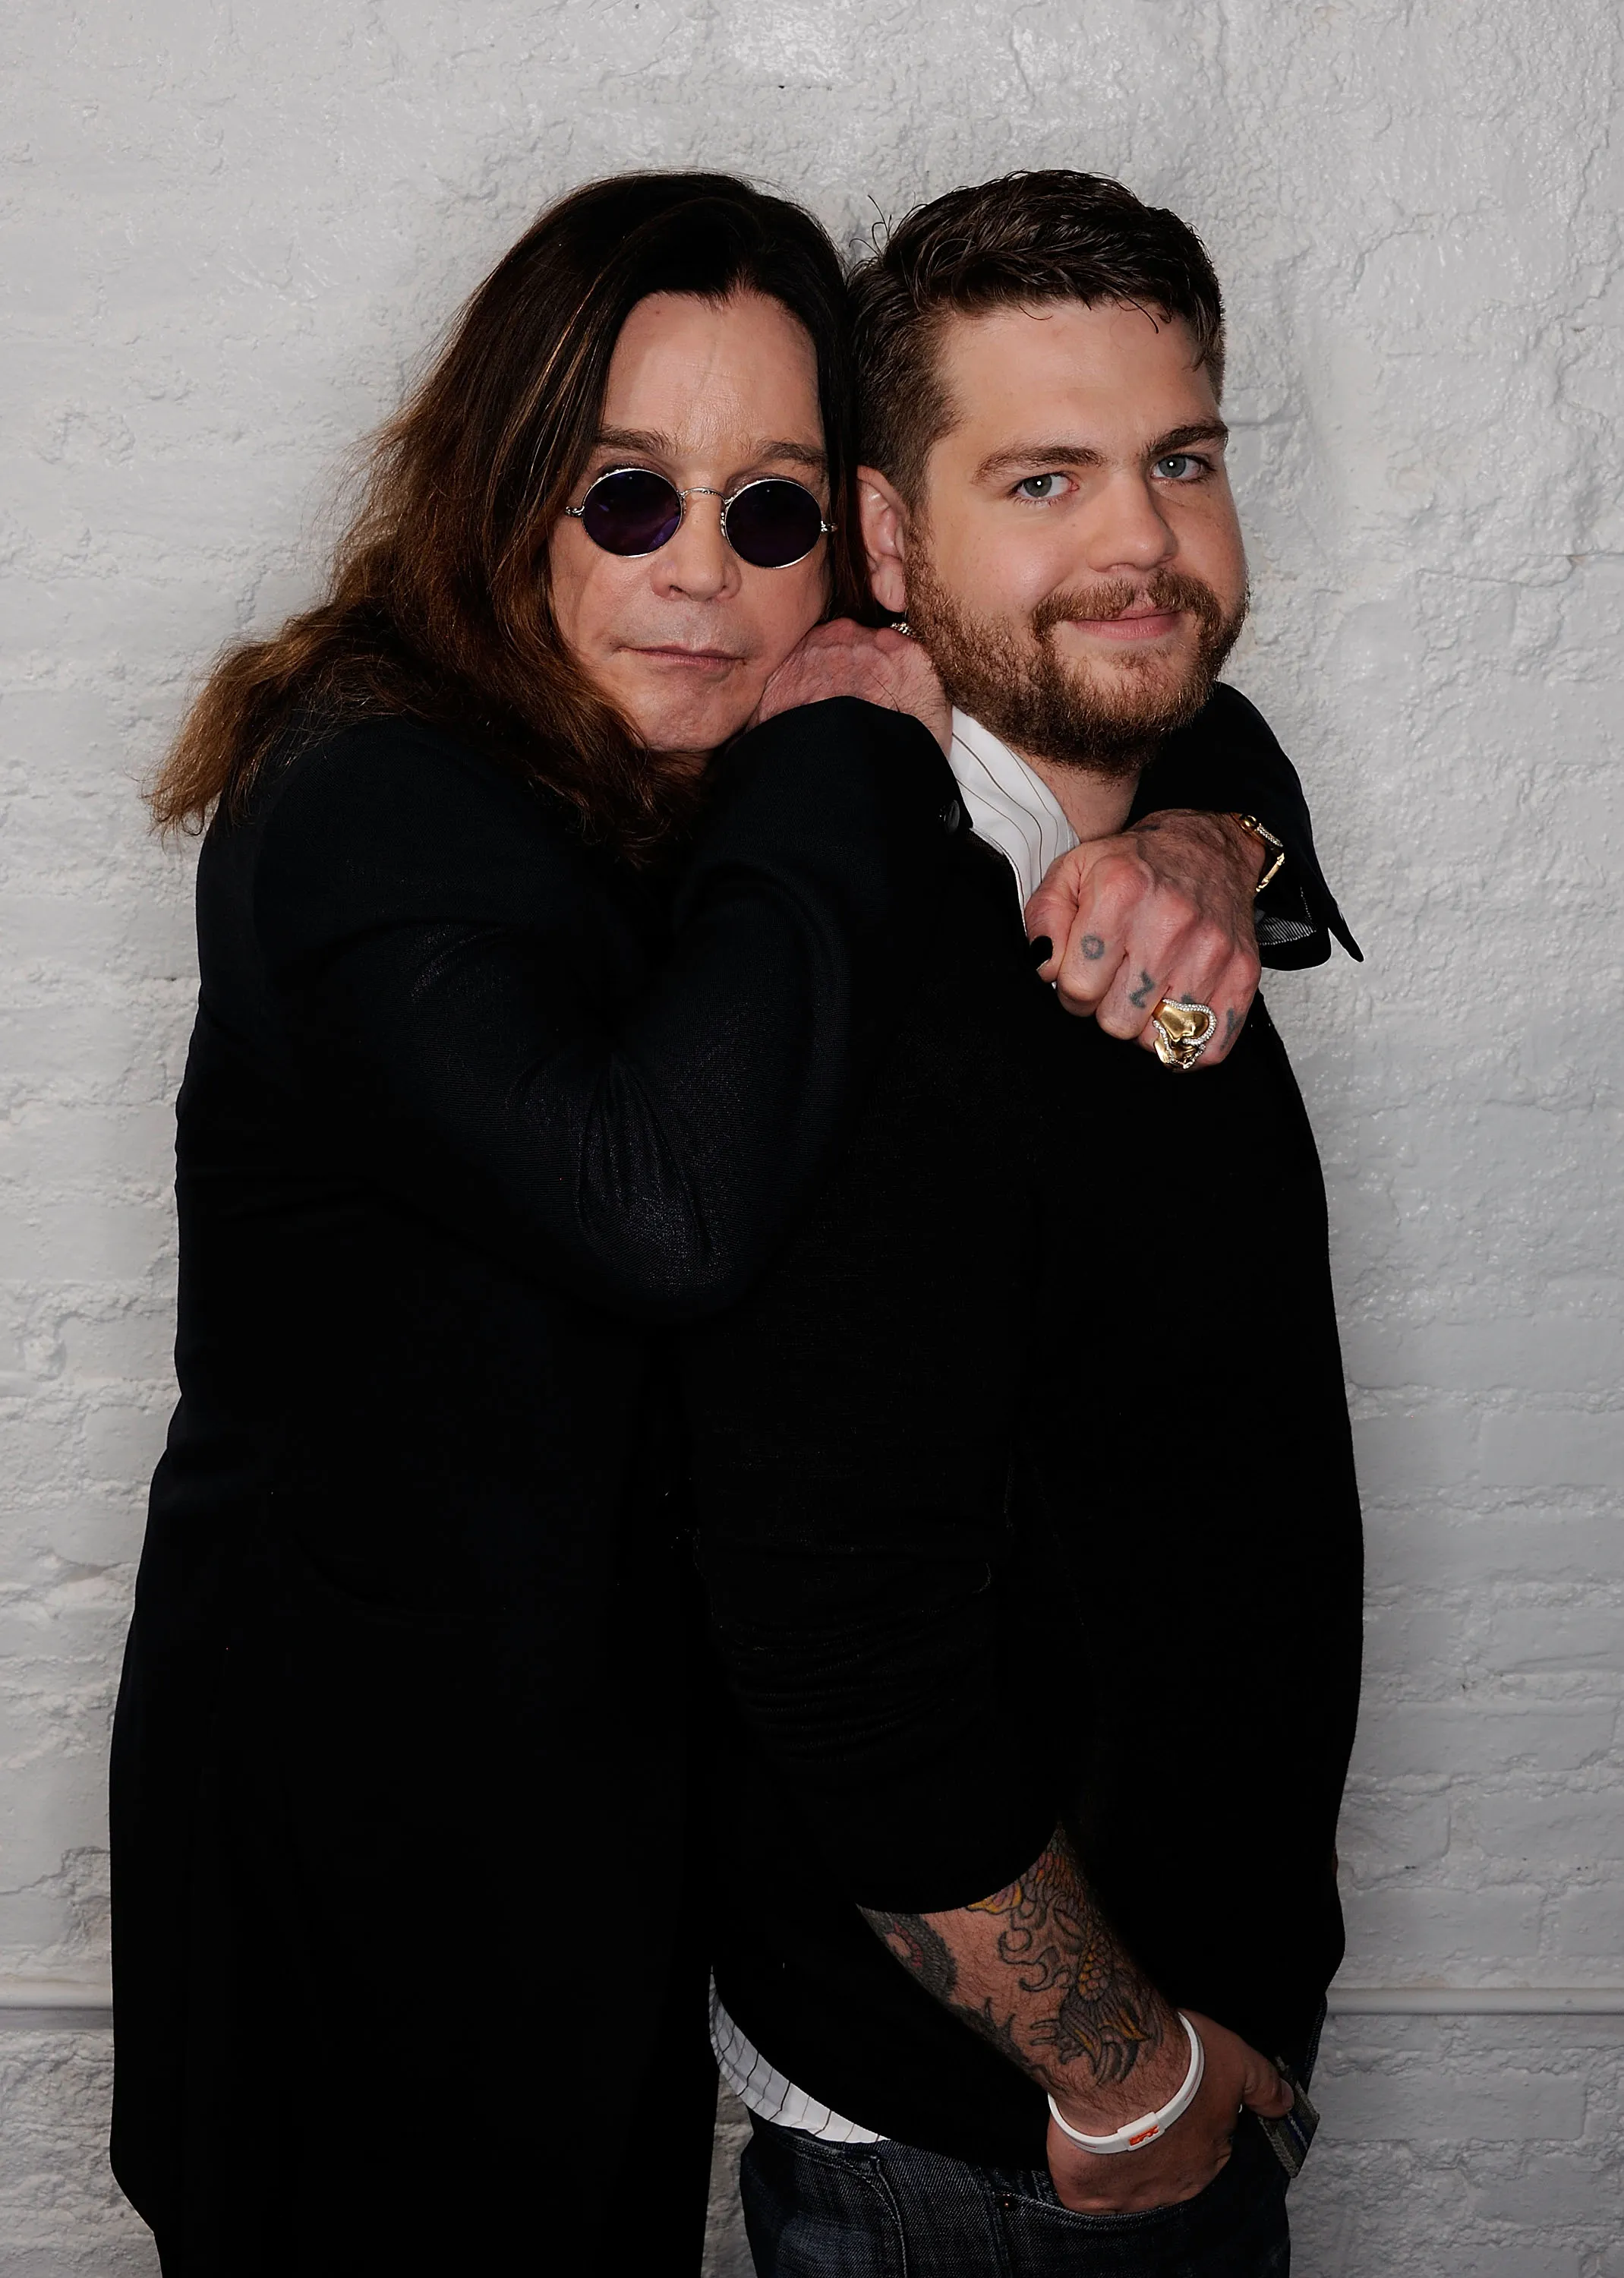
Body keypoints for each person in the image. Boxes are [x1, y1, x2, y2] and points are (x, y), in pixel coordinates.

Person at [109, 171, 1322, 2273]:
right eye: (626, 496)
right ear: (504, 494)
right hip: (370, 1843)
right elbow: (664, 1208)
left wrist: (1225, 843)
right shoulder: (378, 797)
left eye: (768, 512)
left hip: (616, 1837)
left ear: (847, 542)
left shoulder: (650, 761)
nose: (698, 571)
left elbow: (1131, 673)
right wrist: (841, 755)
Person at [686, 171, 1364, 2277]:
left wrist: (1228, 840)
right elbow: (829, 1624)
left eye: (1181, 460)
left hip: (1126, 2085)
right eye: (1044, 478)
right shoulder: (876, 953)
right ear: (890, 543)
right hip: (993, 2164)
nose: (1140, 542)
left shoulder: (1130, 859)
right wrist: (1126, 2081)